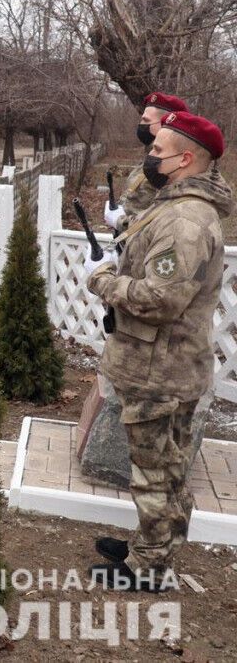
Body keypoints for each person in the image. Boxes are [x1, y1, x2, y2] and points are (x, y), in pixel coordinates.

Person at [84, 111, 231, 591]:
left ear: (185, 159)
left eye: (157, 152)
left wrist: (105, 280)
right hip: (161, 364)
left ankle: (148, 568)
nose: (149, 156)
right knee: (165, 469)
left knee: (154, 474)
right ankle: (151, 547)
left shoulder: (187, 219)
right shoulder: (175, 204)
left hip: (160, 370)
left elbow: (160, 299)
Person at [105, 92, 188, 232]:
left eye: (146, 120)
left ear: (164, 123)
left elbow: (161, 224)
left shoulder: (170, 166)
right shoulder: (152, 158)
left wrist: (120, 221)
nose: (141, 124)